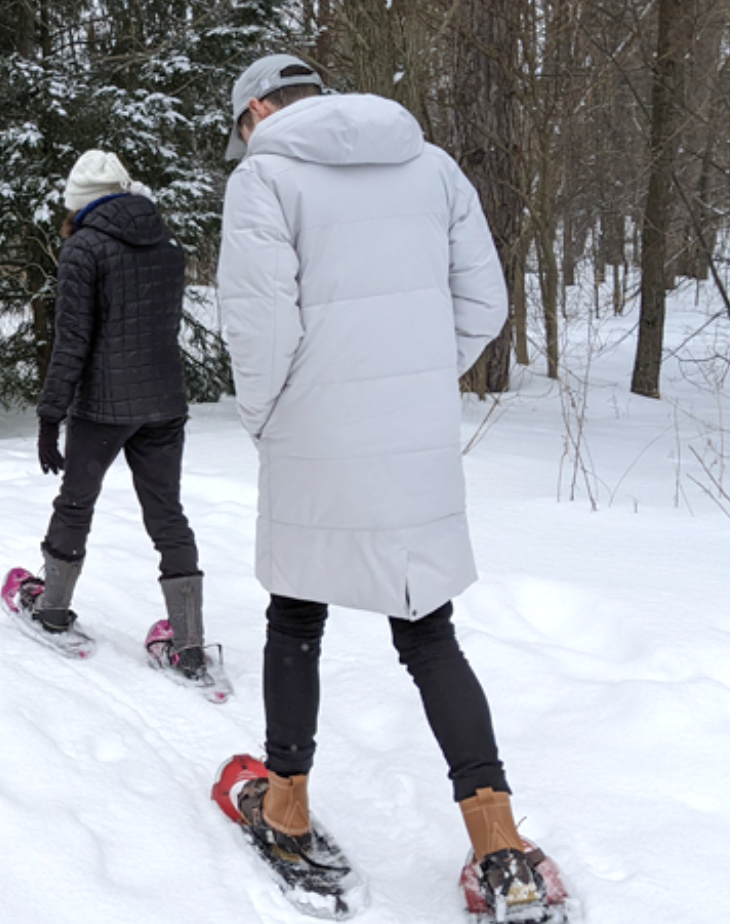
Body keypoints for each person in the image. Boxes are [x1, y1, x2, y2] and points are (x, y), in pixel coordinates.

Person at [215, 55, 561, 919]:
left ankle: (286, 807)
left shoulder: (264, 178)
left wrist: (269, 417)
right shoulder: (432, 164)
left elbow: (259, 324)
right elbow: (484, 303)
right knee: (428, 631)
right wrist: (411, 377)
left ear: (257, 109)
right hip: (413, 436)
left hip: (311, 431)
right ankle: (498, 844)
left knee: (296, 614)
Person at [25, 149, 212, 683]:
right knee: (167, 514)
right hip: (164, 404)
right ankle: (189, 641)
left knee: (77, 502)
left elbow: (72, 342)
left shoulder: (84, 249)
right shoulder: (168, 245)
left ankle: (54, 608)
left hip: (104, 407)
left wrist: (49, 415)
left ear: (79, 203)